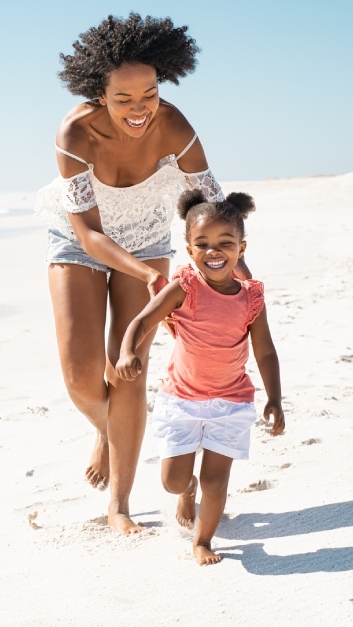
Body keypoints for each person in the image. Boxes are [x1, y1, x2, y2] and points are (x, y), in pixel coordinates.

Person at [35, 13, 246, 535]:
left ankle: (119, 504)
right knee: (83, 376)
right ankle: (108, 431)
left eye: (149, 93)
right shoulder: (75, 132)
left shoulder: (174, 124)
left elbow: (214, 210)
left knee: (127, 364)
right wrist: (150, 277)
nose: (140, 109)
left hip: (148, 234)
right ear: (98, 94)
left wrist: (239, 281)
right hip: (82, 238)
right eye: (124, 98)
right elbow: (88, 235)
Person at [116, 189, 285, 564]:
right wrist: (128, 351)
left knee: (216, 480)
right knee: (173, 480)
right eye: (203, 244)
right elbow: (143, 320)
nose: (214, 251)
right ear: (190, 251)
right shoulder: (185, 288)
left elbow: (265, 351)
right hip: (181, 400)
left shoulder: (251, 298)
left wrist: (274, 398)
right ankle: (186, 489)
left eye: (226, 243)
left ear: (241, 249)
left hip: (231, 402)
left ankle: (203, 541)